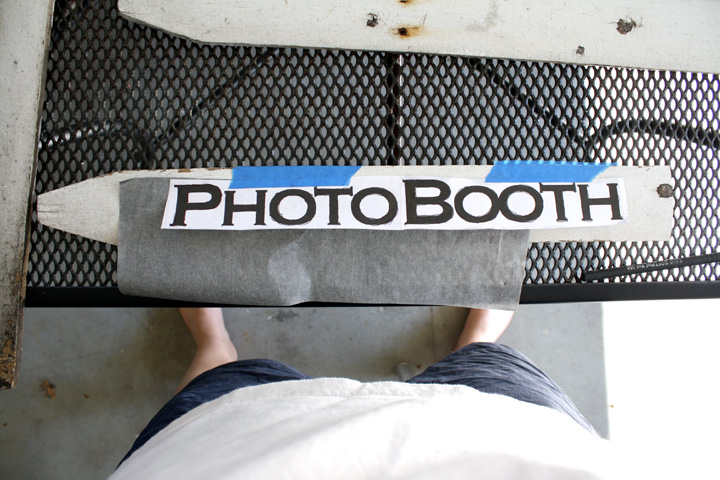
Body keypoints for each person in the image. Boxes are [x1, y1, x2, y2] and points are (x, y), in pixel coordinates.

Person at [110, 308, 617, 479]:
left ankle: (213, 343)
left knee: (221, 387)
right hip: (502, 435)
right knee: (483, 369)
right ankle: (477, 342)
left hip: (234, 450)